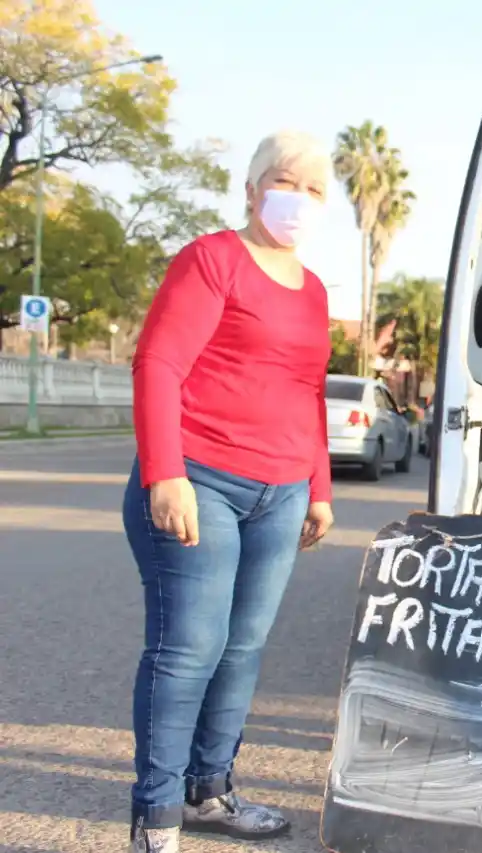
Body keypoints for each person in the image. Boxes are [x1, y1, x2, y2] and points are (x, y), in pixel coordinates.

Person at [124, 130, 336, 853]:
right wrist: (166, 472)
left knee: (242, 646)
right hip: (200, 479)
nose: (298, 200)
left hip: (279, 493)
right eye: (285, 182)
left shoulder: (313, 292)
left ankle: (210, 791)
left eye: (314, 190)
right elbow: (157, 363)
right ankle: (155, 816)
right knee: (189, 645)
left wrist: (319, 486)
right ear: (252, 190)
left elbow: (308, 392)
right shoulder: (212, 259)